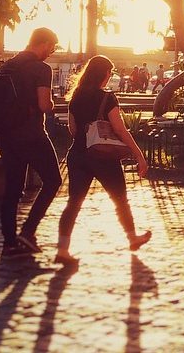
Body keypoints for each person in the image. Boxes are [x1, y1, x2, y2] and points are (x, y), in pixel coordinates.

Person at [54, 55, 152, 267]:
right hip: (103, 156)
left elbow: (73, 129)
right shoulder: (107, 98)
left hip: (78, 154)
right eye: (110, 73)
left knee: (73, 202)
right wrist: (138, 154)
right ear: (105, 74)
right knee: (120, 199)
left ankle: (62, 249)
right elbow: (120, 129)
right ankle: (132, 237)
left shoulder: (76, 96)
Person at [0, 27, 63, 258]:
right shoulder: (41, 68)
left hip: (5, 135)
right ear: (44, 43)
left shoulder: (7, 66)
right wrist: (52, 104)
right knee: (53, 181)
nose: (51, 52)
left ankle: (9, 244)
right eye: (52, 47)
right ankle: (28, 231)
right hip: (31, 135)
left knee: (12, 190)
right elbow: (44, 105)